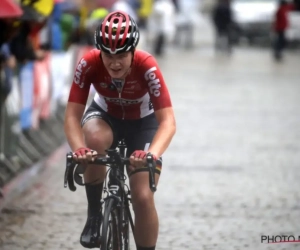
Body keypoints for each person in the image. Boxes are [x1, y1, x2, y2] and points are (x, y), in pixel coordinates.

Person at [64, 11, 176, 250]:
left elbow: (168, 122)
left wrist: (151, 155)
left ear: (133, 50)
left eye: (122, 55)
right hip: (106, 116)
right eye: (108, 55)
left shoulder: (148, 66)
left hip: (143, 123)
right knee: (94, 139)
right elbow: (72, 116)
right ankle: (95, 215)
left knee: (143, 196)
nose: (114, 63)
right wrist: (79, 150)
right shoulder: (89, 63)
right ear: (99, 52)